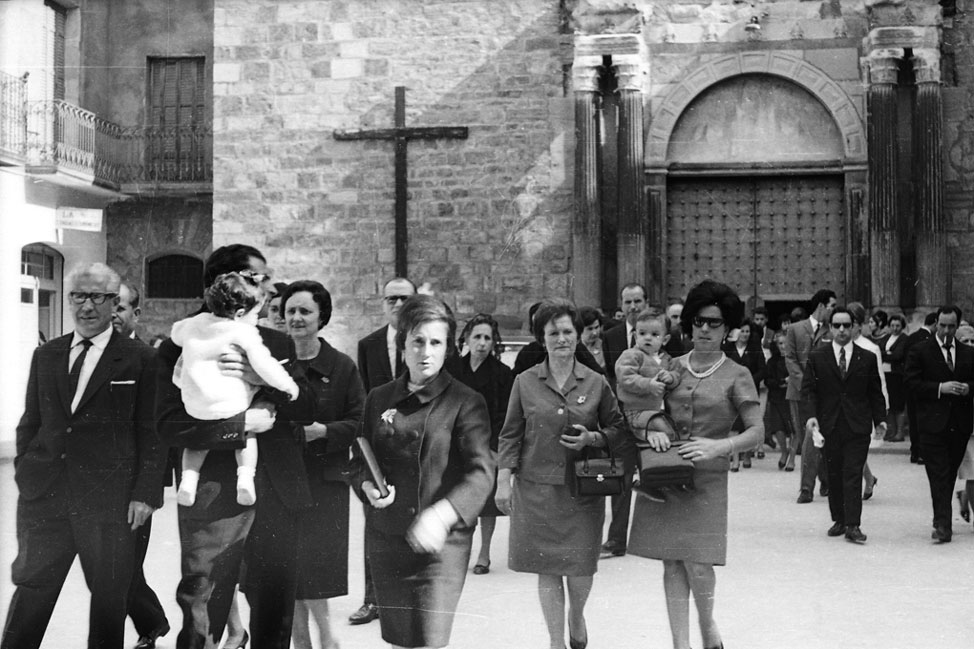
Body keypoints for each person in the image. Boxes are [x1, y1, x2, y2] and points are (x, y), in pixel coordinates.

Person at [155, 243, 317, 649]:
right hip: (213, 499)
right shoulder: (180, 343)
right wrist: (240, 425)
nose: (268, 289)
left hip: (277, 494)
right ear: (222, 283)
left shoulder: (273, 344)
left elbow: (309, 404)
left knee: (273, 618)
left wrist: (260, 380)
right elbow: (166, 424)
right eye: (258, 278)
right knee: (203, 611)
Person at [2, 263, 166, 649]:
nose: (86, 306)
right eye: (78, 296)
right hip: (46, 496)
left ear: (114, 304)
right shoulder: (47, 355)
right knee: (32, 589)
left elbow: (153, 433)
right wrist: (26, 468)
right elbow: (31, 422)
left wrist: (146, 493)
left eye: (97, 297)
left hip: (109, 500)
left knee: (108, 599)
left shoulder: (141, 359)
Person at [352, 295, 494, 649]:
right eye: (417, 341)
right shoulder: (379, 398)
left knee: (429, 640)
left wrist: (443, 515)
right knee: (401, 641)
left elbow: (482, 472)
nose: (425, 352)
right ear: (403, 345)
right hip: (388, 538)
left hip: (441, 545)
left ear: (448, 348)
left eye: (436, 342)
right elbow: (359, 461)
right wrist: (366, 486)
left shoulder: (465, 400)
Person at [628, 280, 763, 649]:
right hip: (667, 473)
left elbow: (756, 432)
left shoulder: (737, 374)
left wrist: (720, 446)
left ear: (728, 328)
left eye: (715, 323)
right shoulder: (669, 367)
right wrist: (652, 426)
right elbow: (634, 410)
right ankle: (680, 644)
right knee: (671, 562)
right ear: (689, 323)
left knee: (699, 564)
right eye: (699, 321)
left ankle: (707, 625)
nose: (705, 329)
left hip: (708, 478)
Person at [496, 299, 626, 649]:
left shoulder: (597, 382)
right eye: (553, 332)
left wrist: (592, 437)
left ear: (578, 336)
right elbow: (509, 434)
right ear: (542, 338)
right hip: (536, 491)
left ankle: (576, 616)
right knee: (548, 569)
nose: (562, 338)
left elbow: (617, 428)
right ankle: (556, 642)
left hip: (583, 491)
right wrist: (502, 481)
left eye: (568, 331)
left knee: (582, 569)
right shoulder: (524, 382)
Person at [281, 281, 365, 649]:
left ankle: (328, 638)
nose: (296, 318)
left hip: (324, 480)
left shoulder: (342, 366)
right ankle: (301, 641)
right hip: (280, 479)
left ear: (322, 317)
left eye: (305, 311)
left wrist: (324, 432)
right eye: (290, 311)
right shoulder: (273, 362)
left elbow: (361, 420)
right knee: (287, 569)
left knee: (316, 568)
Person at [170, 272, 301, 508]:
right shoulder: (243, 331)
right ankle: (245, 478)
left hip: (195, 402)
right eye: (255, 314)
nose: (257, 319)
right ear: (240, 314)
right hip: (231, 404)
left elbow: (176, 334)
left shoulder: (195, 323)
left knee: (196, 445)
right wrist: (287, 386)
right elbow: (265, 366)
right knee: (247, 435)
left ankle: (188, 481)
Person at [351, 276, 417, 625]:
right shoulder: (369, 344)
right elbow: (364, 398)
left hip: (416, 446)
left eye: (404, 298)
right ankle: (372, 599)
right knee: (375, 521)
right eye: (391, 299)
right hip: (378, 447)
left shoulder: (427, 343)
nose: (397, 305)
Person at [112, 282, 173, 649]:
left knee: (123, 566)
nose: (113, 314)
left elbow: (158, 430)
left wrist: (149, 491)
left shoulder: (152, 359)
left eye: (120, 307)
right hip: (94, 481)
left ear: (136, 313)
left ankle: (150, 626)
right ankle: (153, 623)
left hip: (135, 483)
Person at [800, 307, 887, 544]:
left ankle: (853, 525)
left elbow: (875, 393)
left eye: (846, 325)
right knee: (834, 474)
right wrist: (811, 416)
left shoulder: (866, 358)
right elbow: (808, 391)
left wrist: (880, 420)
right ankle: (839, 519)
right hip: (830, 425)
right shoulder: (818, 356)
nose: (841, 330)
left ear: (854, 328)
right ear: (829, 328)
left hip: (857, 426)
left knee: (852, 473)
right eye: (837, 325)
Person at [446, 313, 514, 575]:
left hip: (488, 448)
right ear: (466, 339)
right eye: (477, 337)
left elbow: (506, 416)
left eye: (488, 337)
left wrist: (497, 449)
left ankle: (484, 553)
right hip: (457, 446)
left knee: (485, 504)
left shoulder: (502, 374)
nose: (482, 343)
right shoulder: (452, 370)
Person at [904, 305, 974, 543]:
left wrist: (968, 389)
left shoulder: (968, 352)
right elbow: (911, 384)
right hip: (931, 426)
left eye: (951, 326)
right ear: (936, 324)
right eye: (942, 325)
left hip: (960, 426)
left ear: (958, 325)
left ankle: (941, 518)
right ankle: (944, 525)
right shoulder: (920, 351)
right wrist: (939, 388)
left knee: (949, 474)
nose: (946, 330)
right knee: (939, 474)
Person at [600, 282, 653, 557]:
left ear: (646, 303)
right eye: (628, 302)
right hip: (622, 421)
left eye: (638, 301)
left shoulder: (662, 333)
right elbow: (610, 378)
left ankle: (656, 537)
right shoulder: (611, 336)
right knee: (619, 479)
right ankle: (617, 540)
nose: (633, 307)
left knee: (656, 476)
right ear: (621, 306)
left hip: (654, 421)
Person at [786, 289, 836, 504]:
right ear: (821, 306)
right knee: (808, 439)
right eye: (832, 306)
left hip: (825, 396)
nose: (834, 310)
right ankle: (808, 487)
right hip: (799, 394)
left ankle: (819, 483)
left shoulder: (832, 331)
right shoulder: (795, 329)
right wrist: (805, 385)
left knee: (821, 438)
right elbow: (789, 358)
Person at [514, 302, 604, 376]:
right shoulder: (528, 353)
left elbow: (597, 374)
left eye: (567, 332)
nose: (561, 340)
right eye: (554, 333)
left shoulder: (577, 349)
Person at [723, 319, 766, 470]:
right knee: (734, 426)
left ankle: (747, 455)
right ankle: (735, 459)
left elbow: (762, 370)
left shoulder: (755, 349)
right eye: (742, 331)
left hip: (750, 391)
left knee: (748, 424)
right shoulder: (727, 348)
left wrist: (748, 381)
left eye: (748, 331)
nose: (745, 334)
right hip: (732, 392)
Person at [905, 312, 937, 464]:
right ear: (936, 323)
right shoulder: (930, 340)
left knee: (913, 420)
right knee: (923, 420)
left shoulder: (911, 337)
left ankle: (915, 451)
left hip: (911, 385)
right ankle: (922, 452)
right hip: (924, 386)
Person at [953, 324, 974, 528]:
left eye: (972, 341)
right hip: (969, 429)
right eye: (964, 341)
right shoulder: (955, 365)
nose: (969, 345)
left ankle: (964, 497)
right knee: (973, 473)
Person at [765, 332, 796, 470]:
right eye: (780, 343)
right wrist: (782, 382)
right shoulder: (772, 362)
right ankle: (784, 451)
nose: (783, 346)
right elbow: (767, 380)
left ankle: (792, 458)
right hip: (777, 397)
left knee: (795, 429)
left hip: (793, 397)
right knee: (778, 428)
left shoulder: (795, 359)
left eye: (785, 343)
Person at [879, 314, 910, 442]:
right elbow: (878, 352)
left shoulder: (904, 339)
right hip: (885, 374)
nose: (895, 328)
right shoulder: (886, 337)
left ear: (902, 326)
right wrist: (887, 353)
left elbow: (898, 355)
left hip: (897, 375)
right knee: (889, 404)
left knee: (898, 405)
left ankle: (900, 432)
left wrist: (885, 354)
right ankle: (891, 432)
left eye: (897, 325)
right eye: (892, 325)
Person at [579, 306, 607, 371]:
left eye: (597, 327)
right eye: (590, 329)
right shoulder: (573, 348)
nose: (594, 333)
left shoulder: (605, 345)